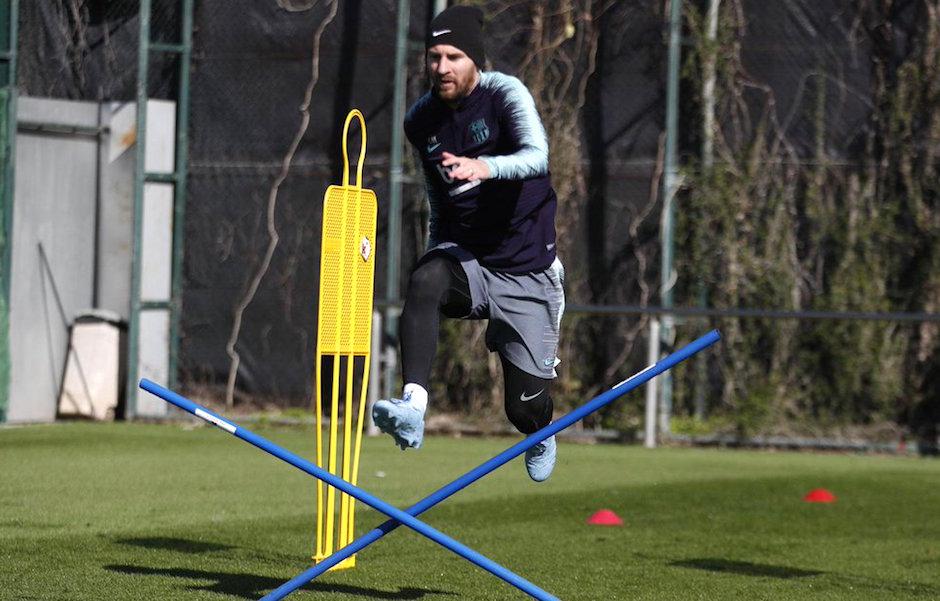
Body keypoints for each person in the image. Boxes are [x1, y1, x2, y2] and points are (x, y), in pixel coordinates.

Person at [372, 5, 565, 482]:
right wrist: (436, 254)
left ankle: (540, 429)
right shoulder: (421, 121)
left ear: (475, 59)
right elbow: (439, 202)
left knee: (524, 410)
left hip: (527, 271)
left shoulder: (504, 94)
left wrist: (485, 167)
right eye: (434, 56)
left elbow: (538, 156)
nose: (442, 67)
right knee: (426, 279)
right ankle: (413, 406)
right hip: (471, 262)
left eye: (454, 56)